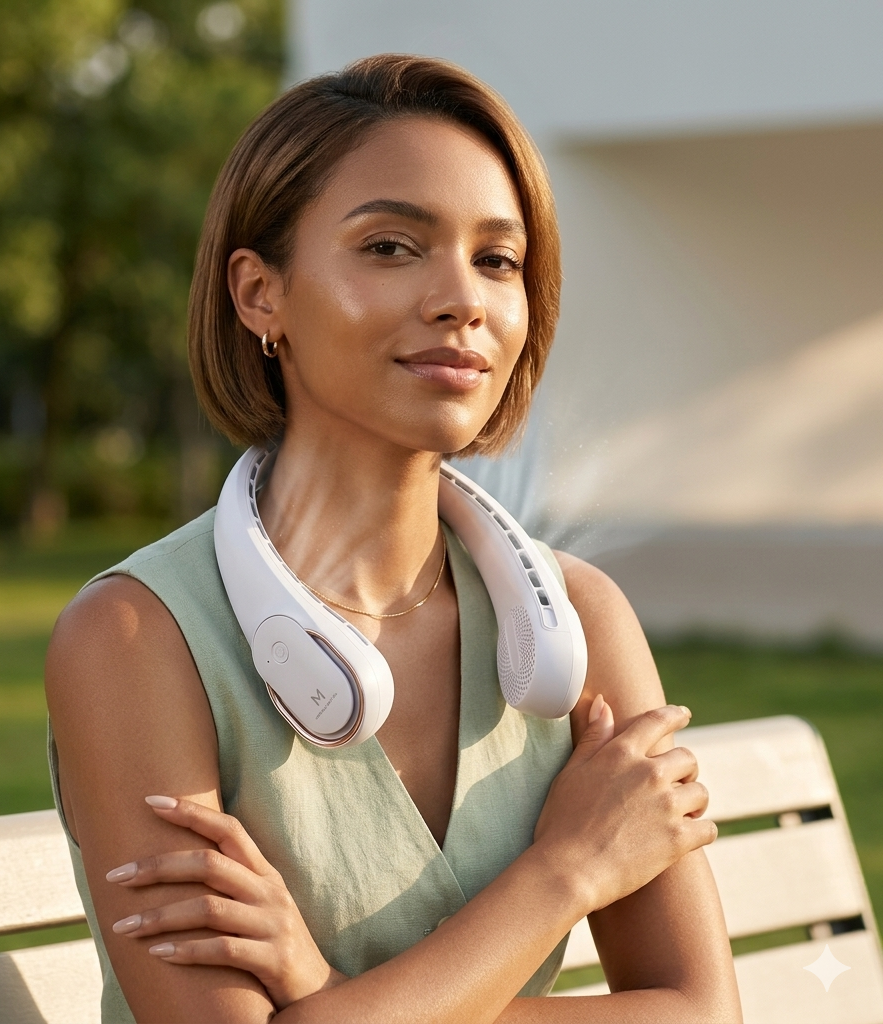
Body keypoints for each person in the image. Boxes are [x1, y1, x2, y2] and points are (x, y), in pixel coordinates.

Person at [45, 54, 742, 1023]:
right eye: (390, 247)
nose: (462, 298)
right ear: (259, 295)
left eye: (497, 259)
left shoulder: (579, 623)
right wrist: (565, 870)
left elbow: (700, 1013)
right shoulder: (132, 639)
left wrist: (329, 1001)